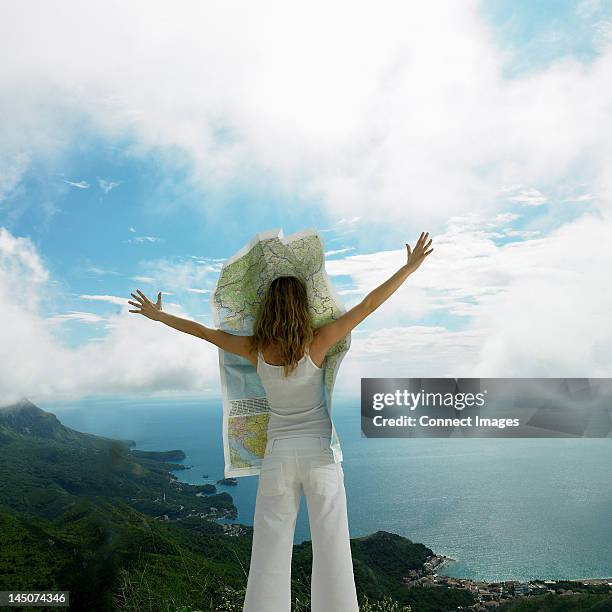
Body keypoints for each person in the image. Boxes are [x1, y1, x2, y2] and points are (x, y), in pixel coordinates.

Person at [128, 231, 434, 612]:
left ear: (268, 308)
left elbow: (205, 332)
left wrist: (160, 317)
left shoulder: (254, 348)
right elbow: (368, 304)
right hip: (320, 458)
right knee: (333, 550)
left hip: (277, 459)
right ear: (303, 306)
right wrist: (408, 269)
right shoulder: (320, 341)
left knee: (269, 555)